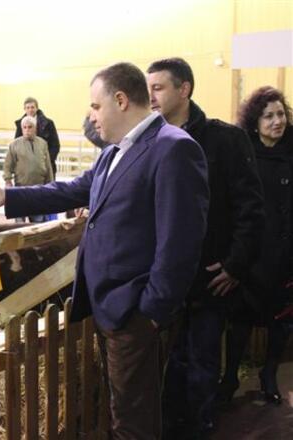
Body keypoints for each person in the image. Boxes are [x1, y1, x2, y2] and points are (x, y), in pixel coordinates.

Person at [0, 62, 209, 439]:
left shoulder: (173, 149)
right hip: (110, 306)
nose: (90, 116)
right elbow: (69, 190)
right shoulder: (113, 151)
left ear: (120, 100)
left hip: (134, 310)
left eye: (95, 106)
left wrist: (150, 312)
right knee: (122, 405)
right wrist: (6, 197)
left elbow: (180, 243)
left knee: (135, 418)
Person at [146, 57, 265, 439]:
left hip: (208, 278)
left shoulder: (225, 140)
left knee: (200, 362)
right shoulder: (148, 141)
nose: (150, 96)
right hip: (161, 278)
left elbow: (251, 209)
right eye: (147, 89)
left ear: (185, 89)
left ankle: (198, 429)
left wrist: (234, 265)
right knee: (167, 365)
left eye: (158, 88)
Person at [219, 86, 293, 406]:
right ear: (254, 120)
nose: (277, 121)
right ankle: (230, 376)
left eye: (281, 115)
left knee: (282, 318)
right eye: (269, 116)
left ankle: (269, 375)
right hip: (251, 250)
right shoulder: (242, 150)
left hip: (287, 251)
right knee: (241, 318)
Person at [4, 116, 54, 223]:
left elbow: (48, 165)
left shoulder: (42, 143)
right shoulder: (14, 145)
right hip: (20, 189)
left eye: (30, 127)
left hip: (38, 189)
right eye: (24, 127)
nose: (27, 130)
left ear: (35, 128)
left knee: (38, 222)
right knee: (19, 224)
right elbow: (8, 165)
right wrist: (8, 181)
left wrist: (51, 184)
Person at [14, 97, 60, 178]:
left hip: (45, 166)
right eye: (28, 108)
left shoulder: (48, 123)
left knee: (46, 189)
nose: (30, 110)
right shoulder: (20, 124)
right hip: (25, 167)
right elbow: (16, 145)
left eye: (32, 107)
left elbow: (55, 145)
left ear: (37, 108)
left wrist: (47, 160)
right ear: (24, 109)